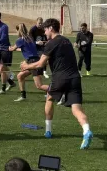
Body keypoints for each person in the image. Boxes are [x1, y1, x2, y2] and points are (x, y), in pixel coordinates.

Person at [23, 18, 94, 149]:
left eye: (45, 29)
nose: (44, 32)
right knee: (76, 109)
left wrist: (26, 66)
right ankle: (86, 130)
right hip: (75, 78)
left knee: (49, 98)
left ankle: (48, 130)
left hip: (61, 78)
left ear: (51, 28)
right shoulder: (66, 40)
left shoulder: (51, 43)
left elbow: (40, 63)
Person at [11, 23, 47, 102]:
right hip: (34, 60)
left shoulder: (20, 40)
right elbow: (23, 49)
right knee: (20, 76)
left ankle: (60, 92)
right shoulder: (30, 38)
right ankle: (23, 96)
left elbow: (12, 49)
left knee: (39, 86)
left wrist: (9, 48)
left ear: (18, 30)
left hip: (32, 62)